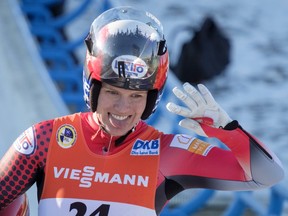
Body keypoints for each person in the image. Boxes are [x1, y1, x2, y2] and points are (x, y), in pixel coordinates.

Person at [0, 6, 284, 216]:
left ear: (151, 98)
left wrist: (226, 130)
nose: (123, 108)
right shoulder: (45, 139)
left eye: (136, 95)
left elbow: (267, 174)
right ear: (92, 87)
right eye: (112, 91)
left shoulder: (166, 152)